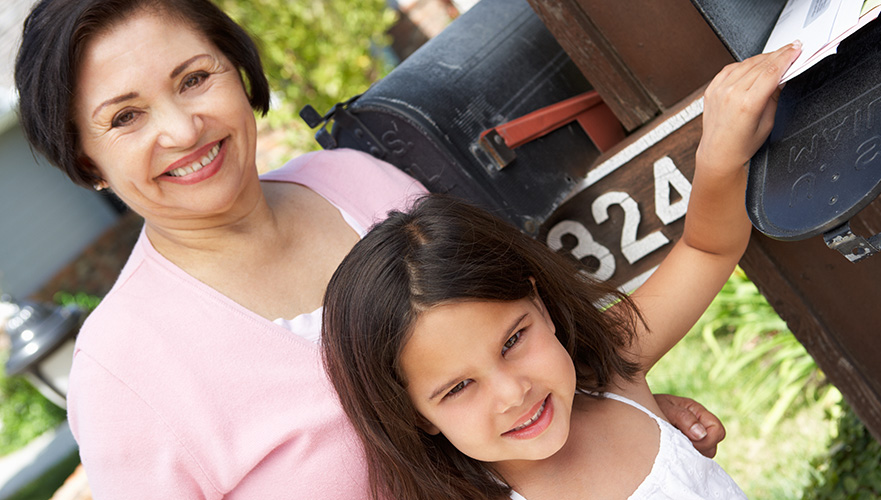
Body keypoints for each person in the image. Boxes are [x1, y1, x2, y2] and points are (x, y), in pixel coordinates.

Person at [13, 0, 726, 497]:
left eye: (195, 77)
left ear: (238, 69)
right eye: (127, 117)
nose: (182, 127)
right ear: (86, 162)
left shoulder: (355, 180)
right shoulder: (123, 372)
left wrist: (616, 428)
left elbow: (499, 350)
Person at [322, 42, 803, 500]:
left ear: (540, 304)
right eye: (458, 388)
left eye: (513, 341)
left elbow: (705, 249)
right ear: (416, 415)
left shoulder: (611, 369)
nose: (513, 393)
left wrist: (720, 152)